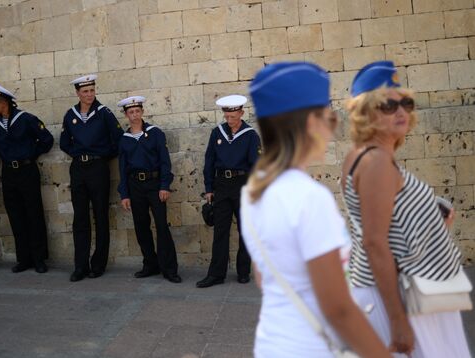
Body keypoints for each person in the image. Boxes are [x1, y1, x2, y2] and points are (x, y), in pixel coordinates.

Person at [240, 62, 390, 357]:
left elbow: (264, 277)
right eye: (330, 118)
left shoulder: (253, 190)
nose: (333, 128)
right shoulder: (309, 197)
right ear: (311, 123)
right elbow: (339, 309)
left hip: (272, 342)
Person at [341, 61, 471, 357]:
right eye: (388, 105)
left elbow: (388, 228)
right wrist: (398, 320)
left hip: (408, 293)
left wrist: (430, 222)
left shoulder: (364, 156)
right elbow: (374, 242)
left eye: (406, 103)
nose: (401, 111)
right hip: (401, 298)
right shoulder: (376, 162)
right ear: (366, 111)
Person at [60, 74, 124, 282]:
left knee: (100, 215)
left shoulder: (104, 113)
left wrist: (102, 154)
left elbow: (118, 140)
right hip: (78, 168)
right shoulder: (70, 114)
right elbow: (64, 143)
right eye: (85, 91)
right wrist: (80, 154)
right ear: (78, 93)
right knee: (80, 218)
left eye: (92, 90)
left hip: (98, 167)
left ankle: (98, 264)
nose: (89, 95)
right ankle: (80, 266)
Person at [196, 95, 261, 288]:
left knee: (245, 231)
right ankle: (216, 274)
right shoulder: (217, 133)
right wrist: (209, 188)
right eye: (227, 116)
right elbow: (209, 162)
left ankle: (243, 271)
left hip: (243, 185)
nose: (229, 120)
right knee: (220, 231)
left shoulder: (250, 135)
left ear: (241, 113)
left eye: (233, 116)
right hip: (221, 185)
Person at [0, 83, 53, 274]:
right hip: (9, 173)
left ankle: (39, 258)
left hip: (27, 170)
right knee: (15, 216)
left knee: (34, 214)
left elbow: (46, 140)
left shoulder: (26, 119)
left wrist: (31, 155)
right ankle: (23, 258)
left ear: (3, 102)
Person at [117, 96, 181, 283]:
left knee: (161, 226)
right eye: (131, 112)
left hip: (154, 185)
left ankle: (169, 269)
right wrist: (125, 194)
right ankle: (150, 264)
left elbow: (164, 162)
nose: (135, 115)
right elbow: (122, 168)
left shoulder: (156, 133)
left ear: (142, 112)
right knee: (141, 226)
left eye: (137, 111)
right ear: (126, 115)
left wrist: (164, 185)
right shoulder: (124, 139)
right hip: (135, 186)